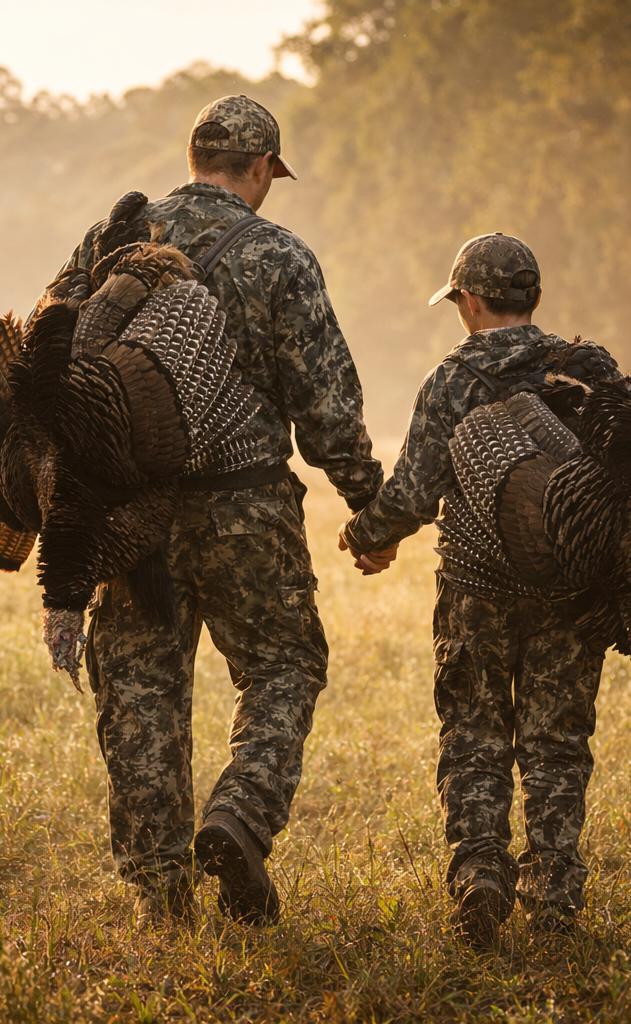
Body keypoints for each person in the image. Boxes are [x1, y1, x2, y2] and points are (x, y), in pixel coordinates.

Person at [56, 95, 385, 926]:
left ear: (195, 155)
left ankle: (162, 895)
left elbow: (54, 352)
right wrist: (366, 504)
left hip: (133, 521)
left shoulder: (115, 238)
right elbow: (326, 401)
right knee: (283, 668)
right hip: (246, 508)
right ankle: (238, 816)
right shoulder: (280, 256)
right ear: (264, 167)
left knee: (137, 689)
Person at [339, 233, 622, 945]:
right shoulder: (584, 375)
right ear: (531, 299)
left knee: (474, 732)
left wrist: (368, 534)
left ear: (467, 300)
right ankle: (555, 896)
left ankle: (479, 876)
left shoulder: (454, 380)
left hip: (477, 588)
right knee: (557, 741)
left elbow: (412, 490)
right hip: (571, 590)